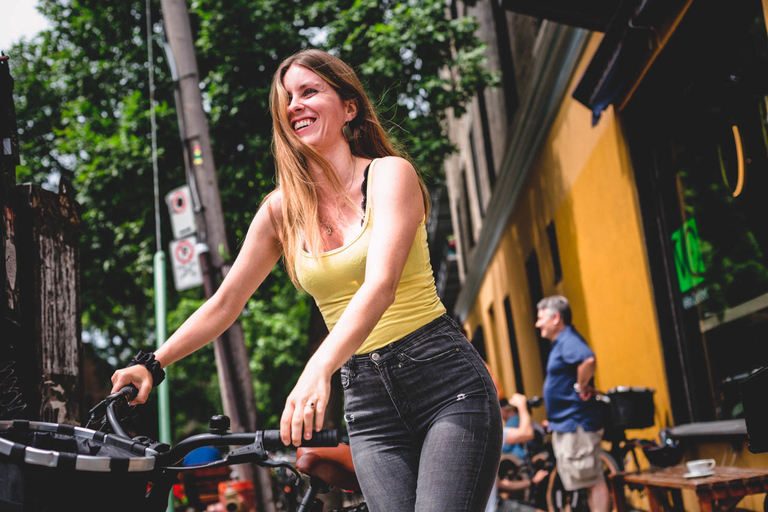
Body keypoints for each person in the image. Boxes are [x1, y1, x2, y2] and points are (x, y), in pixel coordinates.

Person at [111, 49, 502, 512]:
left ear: (349, 108)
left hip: (445, 382)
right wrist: (153, 363)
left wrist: (318, 369)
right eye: (287, 99)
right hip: (368, 401)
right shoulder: (280, 212)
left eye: (309, 91)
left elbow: (380, 286)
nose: (295, 104)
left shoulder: (389, 175)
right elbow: (225, 303)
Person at [536, 295, 608, 512]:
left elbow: (588, 360)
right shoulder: (561, 342)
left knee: (593, 480)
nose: (537, 323)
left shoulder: (568, 340)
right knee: (585, 481)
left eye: (541, 318)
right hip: (567, 423)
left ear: (556, 318)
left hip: (577, 423)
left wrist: (580, 387)